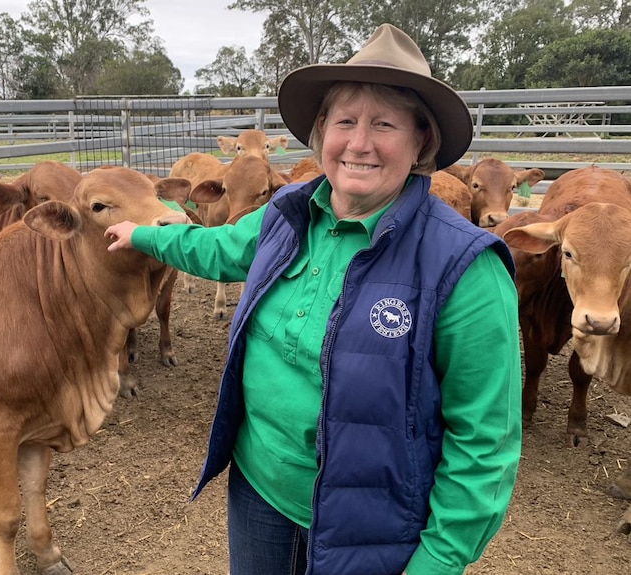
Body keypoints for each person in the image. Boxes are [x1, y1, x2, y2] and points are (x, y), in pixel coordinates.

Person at [106, 23, 522, 575]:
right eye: (344, 121)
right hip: (258, 490)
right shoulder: (289, 213)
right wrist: (142, 234)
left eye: (385, 124)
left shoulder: (464, 267)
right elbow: (220, 248)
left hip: (372, 528)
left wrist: (437, 563)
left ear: (421, 141)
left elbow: (485, 442)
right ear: (321, 130)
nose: (359, 142)